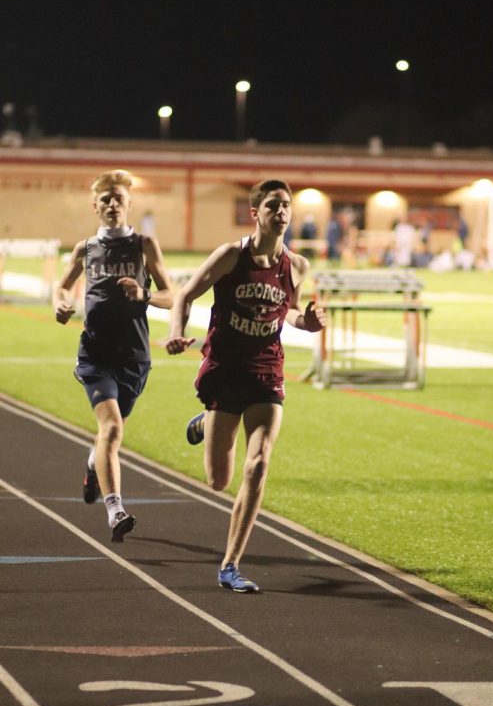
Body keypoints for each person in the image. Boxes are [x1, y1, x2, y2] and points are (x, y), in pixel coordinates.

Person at [166, 179, 326, 593]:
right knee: (219, 480)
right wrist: (177, 333)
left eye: (287, 205)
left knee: (258, 465)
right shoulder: (230, 256)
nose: (282, 212)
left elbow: (287, 311)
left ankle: (230, 564)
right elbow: (184, 295)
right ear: (255, 213)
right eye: (273, 205)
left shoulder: (297, 265)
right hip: (225, 370)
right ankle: (206, 421)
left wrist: (305, 324)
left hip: (266, 372)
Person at [53, 170, 173, 542]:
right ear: (95, 206)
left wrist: (144, 295)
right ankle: (115, 510)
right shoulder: (85, 249)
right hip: (95, 355)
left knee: (110, 435)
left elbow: (173, 295)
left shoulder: (145, 245)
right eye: (104, 199)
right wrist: (61, 304)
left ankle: (93, 464)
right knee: (113, 428)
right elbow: (62, 286)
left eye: (117, 197)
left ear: (128, 203)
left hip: (135, 357)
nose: (111, 203)